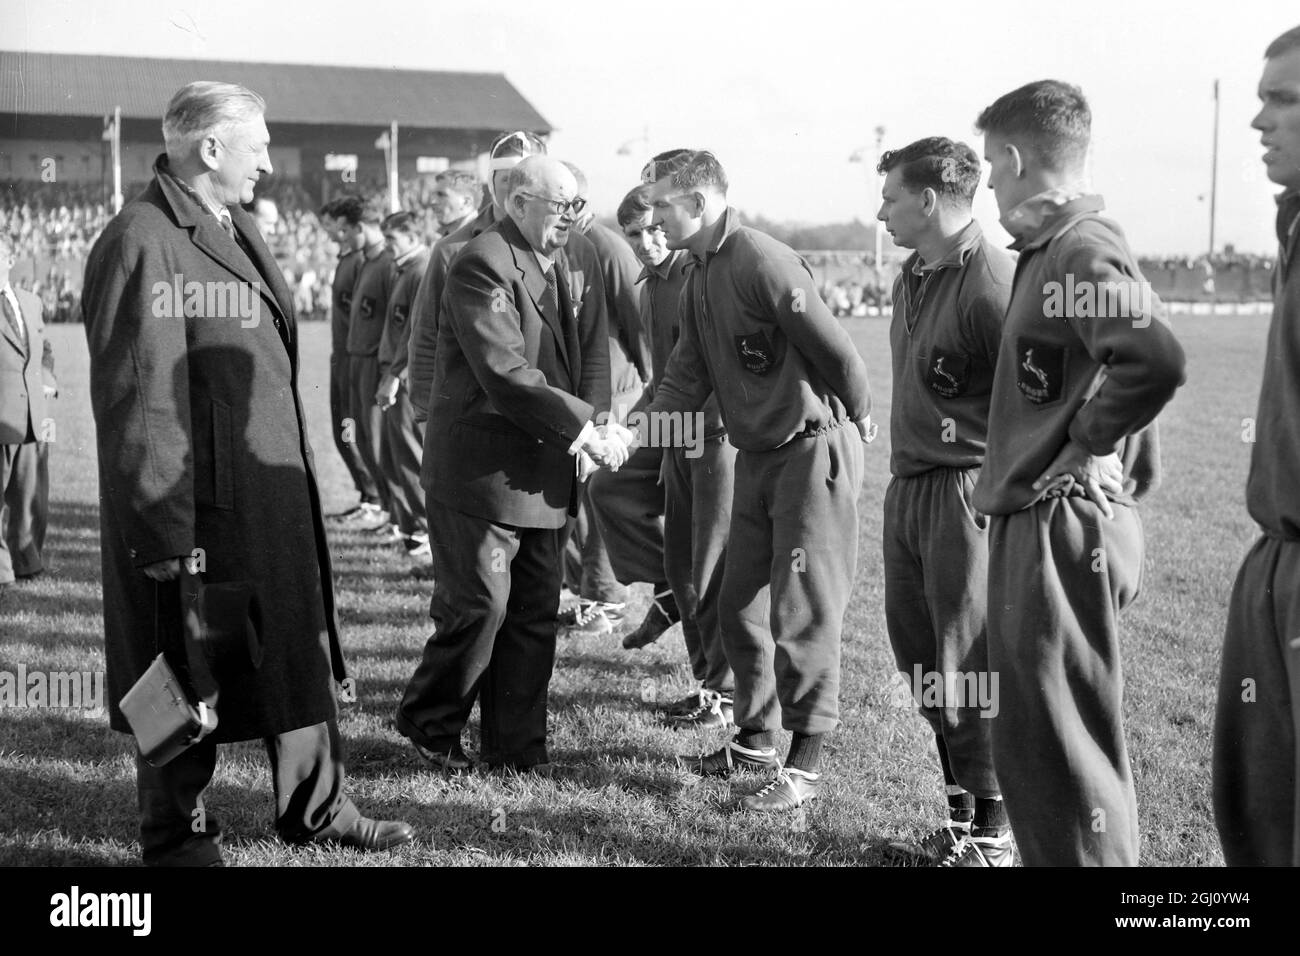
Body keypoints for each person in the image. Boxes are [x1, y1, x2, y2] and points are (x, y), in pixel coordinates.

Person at [81, 81, 413, 865]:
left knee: (293, 648)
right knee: (181, 665)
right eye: (257, 145)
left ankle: (317, 808)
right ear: (211, 148)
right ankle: (177, 835)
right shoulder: (143, 238)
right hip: (193, 510)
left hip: (263, 501)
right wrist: (161, 531)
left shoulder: (229, 225)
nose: (269, 161)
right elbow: (136, 394)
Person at [973, 80, 1185, 866]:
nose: (991, 185)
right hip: (1040, 521)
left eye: (994, 168)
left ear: (1020, 159)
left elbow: (1153, 356)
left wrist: (1090, 441)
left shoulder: (1079, 246)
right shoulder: (1050, 250)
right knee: (1034, 740)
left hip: (1059, 524)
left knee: (1063, 745)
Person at [641, 150, 873, 811]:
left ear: (699, 202)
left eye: (661, 204)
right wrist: (636, 433)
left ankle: (804, 769)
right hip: (759, 457)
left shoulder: (761, 259)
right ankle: (753, 742)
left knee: (802, 612)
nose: (654, 218)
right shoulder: (698, 272)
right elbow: (686, 375)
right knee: (738, 606)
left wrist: (857, 418)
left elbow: (840, 352)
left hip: (810, 452)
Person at [395, 156, 626, 774]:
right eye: (560, 207)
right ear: (518, 202)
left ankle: (517, 748)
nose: (571, 220)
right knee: (480, 609)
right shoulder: (482, 261)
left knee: (531, 614)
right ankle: (430, 723)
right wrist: (583, 428)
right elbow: (505, 372)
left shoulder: (571, 256)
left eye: (577, 207)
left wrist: (596, 421)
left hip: (545, 467)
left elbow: (591, 354)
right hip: (483, 474)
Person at [872, 137, 1014, 866]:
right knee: (922, 657)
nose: (881, 210)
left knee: (970, 662)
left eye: (891, 197)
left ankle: (995, 833)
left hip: (966, 494)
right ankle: (961, 820)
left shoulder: (993, 280)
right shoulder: (913, 275)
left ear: (928, 201)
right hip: (910, 491)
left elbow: (1050, 391)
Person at [589, 181, 736, 728]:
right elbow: (662, 377)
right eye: (634, 233)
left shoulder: (695, 276)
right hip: (671, 423)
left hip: (710, 434)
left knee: (709, 564)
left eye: (655, 228)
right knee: (609, 487)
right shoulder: (651, 285)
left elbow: (708, 372)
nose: (647, 241)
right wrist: (629, 432)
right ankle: (670, 594)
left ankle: (721, 691)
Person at [1213, 24, 1300, 866]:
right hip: (1278, 560)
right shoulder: (1296, 225)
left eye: (1285, 99)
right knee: (1260, 815)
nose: (1259, 122)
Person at [555, 161, 650, 635]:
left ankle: (608, 600)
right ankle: (586, 590)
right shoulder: (558, 246)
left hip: (614, 394)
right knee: (575, 497)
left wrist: (644, 396)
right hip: (577, 396)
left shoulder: (607, 248)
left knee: (598, 498)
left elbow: (639, 325)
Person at [406, 131, 547, 427]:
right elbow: (425, 334)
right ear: (492, 180)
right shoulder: (452, 249)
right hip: (475, 417)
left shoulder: (561, 246)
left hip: (546, 414)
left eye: (528, 178)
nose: (516, 189)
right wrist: (424, 411)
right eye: (507, 178)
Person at [0, 232, 57, 596]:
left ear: (8, 260)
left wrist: (48, 379)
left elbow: (46, 348)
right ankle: (3, 571)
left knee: (31, 497)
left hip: (35, 413)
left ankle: (26, 561)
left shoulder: (30, 302)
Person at [320, 196, 382, 522]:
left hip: (355, 357)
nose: (333, 232)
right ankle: (368, 494)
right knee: (342, 428)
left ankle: (373, 496)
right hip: (340, 356)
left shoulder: (362, 262)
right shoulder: (348, 259)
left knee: (353, 428)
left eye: (334, 225)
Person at [375, 210, 431, 556]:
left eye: (392, 239)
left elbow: (415, 332)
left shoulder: (421, 270)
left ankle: (423, 530)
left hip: (407, 378)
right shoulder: (406, 269)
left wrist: (396, 375)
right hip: (395, 372)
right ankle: (409, 525)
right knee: (396, 455)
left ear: (411, 238)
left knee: (411, 455)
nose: (387, 246)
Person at [345, 197, 397, 536]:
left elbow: (396, 321)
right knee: (363, 438)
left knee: (380, 442)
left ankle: (397, 514)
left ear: (362, 228)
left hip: (376, 362)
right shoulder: (368, 261)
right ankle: (390, 513)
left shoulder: (390, 264)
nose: (346, 239)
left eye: (349, 232)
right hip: (358, 358)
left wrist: (388, 369)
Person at [428, 169, 481, 239]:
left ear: (466, 202)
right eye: (433, 195)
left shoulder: (480, 237)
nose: (433, 201)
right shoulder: (447, 235)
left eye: (441, 195)